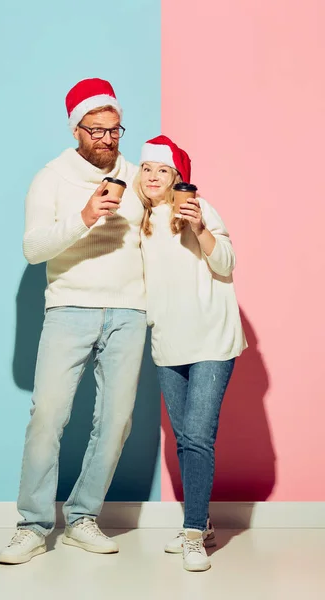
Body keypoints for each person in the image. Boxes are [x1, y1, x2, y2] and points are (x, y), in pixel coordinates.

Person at [0, 78, 147, 564]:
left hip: (129, 310)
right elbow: (33, 247)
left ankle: (83, 517)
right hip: (69, 308)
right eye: (96, 131)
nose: (107, 139)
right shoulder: (51, 177)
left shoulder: (137, 176)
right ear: (76, 130)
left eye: (114, 130)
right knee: (48, 417)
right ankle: (33, 525)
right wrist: (84, 216)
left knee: (117, 421)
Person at [135, 135, 247, 572]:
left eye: (162, 170)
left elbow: (227, 264)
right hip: (168, 341)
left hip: (212, 339)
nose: (152, 177)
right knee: (185, 439)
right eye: (146, 169)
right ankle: (203, 526)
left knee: (198, 436)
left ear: (177, 178)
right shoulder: (140, 223)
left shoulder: (199, 211)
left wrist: (200, 227)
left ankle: (191, 531)